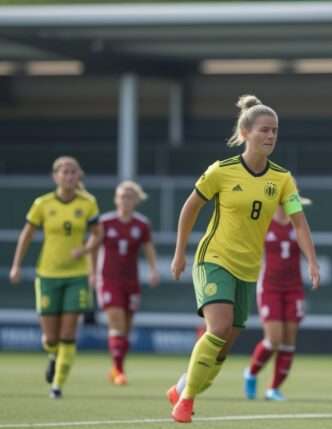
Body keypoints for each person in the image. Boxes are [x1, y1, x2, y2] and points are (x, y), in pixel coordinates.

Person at [165, 95, 320, 423]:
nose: (270, 136)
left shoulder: (282, 179)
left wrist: (312, 261)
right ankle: (186, 402)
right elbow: (190, 208)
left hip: (248, 271)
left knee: (222, 348)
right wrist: (180, 253)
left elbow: (299, 222)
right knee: (218, 328)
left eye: (275, 131)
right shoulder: (221, 171)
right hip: (214, 259)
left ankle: (181, 387)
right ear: (246, 132)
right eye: (264, 130)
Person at [9, 156, 101, 399]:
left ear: (78, 176)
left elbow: (97, 235)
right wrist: (16, 265)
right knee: (51, 338)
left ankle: (57, 385)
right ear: (55, 176)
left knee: (68, 334)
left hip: (76, 276)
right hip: (47, 275)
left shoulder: (88, 203)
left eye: (72, 172)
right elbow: (26, 235)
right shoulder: (43, 204)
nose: (68, 176)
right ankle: (52, 354)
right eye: (64, 172)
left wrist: (85, 250)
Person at [244, 197, 315, 401]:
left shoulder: (297, 222)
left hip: (294, 288)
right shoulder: (264, 222)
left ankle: (273, 388)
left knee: (289, 339)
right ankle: (251, 372)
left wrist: (312, 263)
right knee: (273, 339)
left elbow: (306, 246)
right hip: (269, 288)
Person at [94, 180, 160, 385]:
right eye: (122, 196)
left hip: (131, 281)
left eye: (130, 196)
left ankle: (116, 367)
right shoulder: (105, 222)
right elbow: (93, 247)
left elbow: (148, 248)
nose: (125, 200)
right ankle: (120, 371)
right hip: (108, 280)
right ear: (116, 199)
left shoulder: (141, 224)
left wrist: (153, 270)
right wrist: (92, 272)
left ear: (136, 200)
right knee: (117, 322)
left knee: (127, 328)